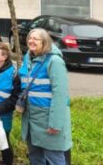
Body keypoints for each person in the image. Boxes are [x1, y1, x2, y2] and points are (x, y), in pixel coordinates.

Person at [19, 29, 72, 165]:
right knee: (35, 157)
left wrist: (55, 124)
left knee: (54, 158)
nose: (31, 41)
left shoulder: (54, 61)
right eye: (30, 38)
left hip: (47, 119)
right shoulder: (29, 58)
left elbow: (60, 95)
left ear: (45, 42)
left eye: (36, 39)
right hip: (32, 119)